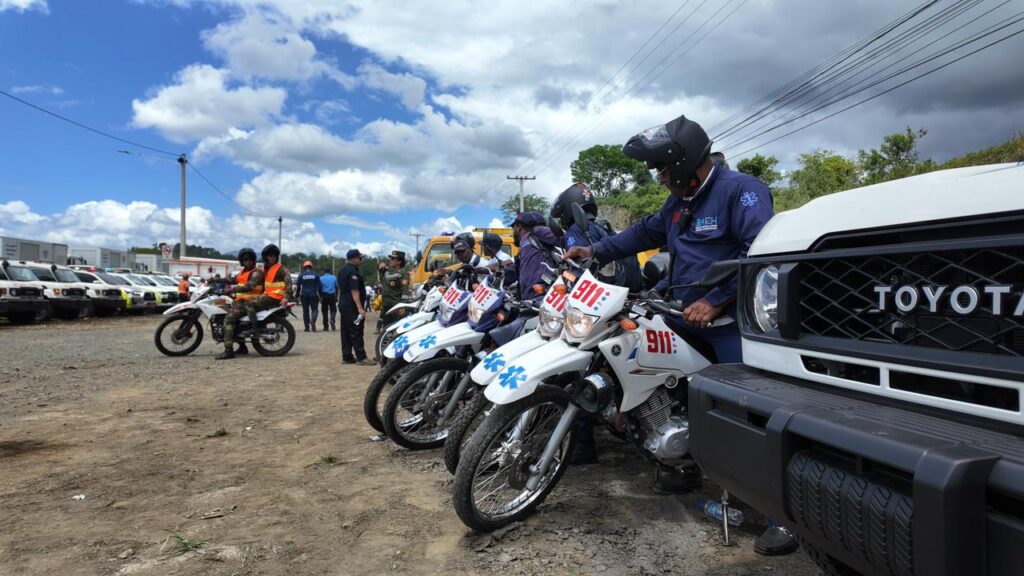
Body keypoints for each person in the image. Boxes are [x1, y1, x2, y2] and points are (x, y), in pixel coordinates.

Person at [565, 114, 794, 555]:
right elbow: (639, 234)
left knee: (751, 417)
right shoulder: (679, 203)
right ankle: (678, 465)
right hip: (682, 314)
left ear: (686, 162)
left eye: (663, 169)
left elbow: (759, 254)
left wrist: (718, 300)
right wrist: (592, 249)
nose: (660, 177)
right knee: (647, 373)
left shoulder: (741, 191)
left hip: (732, 326)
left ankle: (781, 519)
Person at [551, 182, 642, 291]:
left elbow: (578, 271)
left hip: (595, 294)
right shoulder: (602, 227)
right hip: (622, 289)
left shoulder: (575, 229)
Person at [216, 247, 263, 360]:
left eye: (249, 260)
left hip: (250, 300)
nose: (248, 262)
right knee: (229, 317)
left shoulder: (257, 272)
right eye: (245, 260)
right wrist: (217, 280)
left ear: (253, 260)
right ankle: (242, 347)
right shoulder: (243, 272)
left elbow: (249, 286)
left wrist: (231, 290)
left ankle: (228, 350)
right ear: (242, 261)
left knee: (228, 319)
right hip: (240, 301)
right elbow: (234, 280)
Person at [338, 249, 373, 365]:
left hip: (344, 303)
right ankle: (361, 357)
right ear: (353, 259)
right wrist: (360, 307)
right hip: (352, 305)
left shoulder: (342, 270)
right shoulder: (352, 272)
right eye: (360, 258)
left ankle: (347, 356)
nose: (361, 260)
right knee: (356, 330)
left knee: (346, 331)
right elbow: (354, 290)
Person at [376, 250, 410, 333]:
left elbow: (405, 291)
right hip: (386, 305)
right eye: (390, 258)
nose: (390, 260)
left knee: (396, 330)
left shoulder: (403, 274)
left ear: (399, 261)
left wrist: (402, 306)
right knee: (386, 330)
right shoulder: (387, 271)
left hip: (396, 307)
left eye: (393, 259)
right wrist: (379, 265)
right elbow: (381, 274)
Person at [257, 244, 291, 310]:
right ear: (266, 257)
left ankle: (253, 320)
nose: (272, 257)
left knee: (249, 304)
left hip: (277, 298)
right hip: (268, 297)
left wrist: (286, 298)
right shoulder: (266, 269)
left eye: (274, 255)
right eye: (270, 256)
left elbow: (289, 284)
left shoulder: (282, 269)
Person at [296, 260, 320, 332]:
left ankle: (307, 327)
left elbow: (298, 286)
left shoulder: (301, 275)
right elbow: (319, 286)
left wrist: (297, 295)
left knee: (305, 311)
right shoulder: (316, 275)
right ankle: (313, 321)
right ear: (311, 267)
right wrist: (321, 295)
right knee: (314, 309)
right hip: (313, 294)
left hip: (304, 295)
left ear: (304, 267)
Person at [319, 267, 338, 331]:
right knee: (333, 309)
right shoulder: (334, 277)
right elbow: (337, 287)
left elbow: (319, 288)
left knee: (324, 311)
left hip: (324, 295)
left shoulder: (321, 278)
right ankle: (332, 319)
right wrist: (336, 297)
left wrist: (320, 297)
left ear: (324, 271)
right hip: (332, 295)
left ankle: (325, 327)